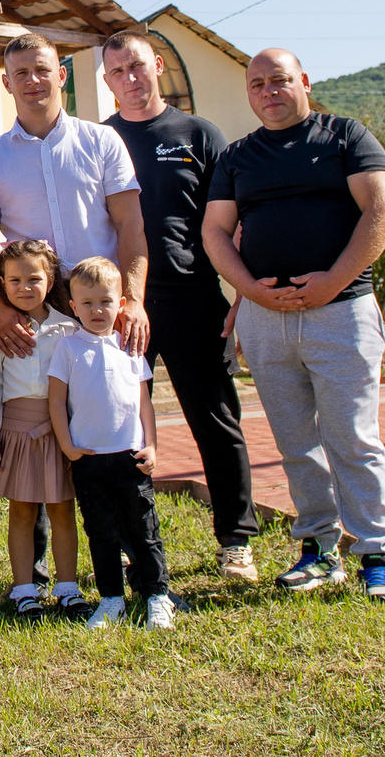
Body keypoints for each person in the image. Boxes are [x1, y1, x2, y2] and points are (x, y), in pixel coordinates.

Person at [202, 47, 385, 602]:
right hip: (267, 321)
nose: (269, 91)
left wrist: (332, 282)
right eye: (258, 84)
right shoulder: (238, 156)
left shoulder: (346, 137)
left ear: (304, 82)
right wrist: (246, 290)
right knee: (295, 442)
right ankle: (318, 546)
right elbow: (216, 231)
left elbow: (382, 211)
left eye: (280, 80)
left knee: (352, 437)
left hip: (340, 313)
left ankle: (376, 554)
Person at [102, 32, 261, 585]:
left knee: (216, 420)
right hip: (122, 306)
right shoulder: (101, 141)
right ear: (106, 81)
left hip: (195, 298)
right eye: (118, 70)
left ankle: (236, 541)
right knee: (123, 429)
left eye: (138, 66)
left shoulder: (198, 134)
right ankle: (132, 545)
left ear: (158, 67)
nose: (130, 78)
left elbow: (234, 222)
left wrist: (242, 294)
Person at [0, 34, 149, 360]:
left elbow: (130, 225)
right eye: (21, 73)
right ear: (7, 83)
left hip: (102, 305)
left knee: (111, 406)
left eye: (42, 69)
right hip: (34, 313)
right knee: (37, 411)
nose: (32, 80)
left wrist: (133, 300)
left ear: (62, 75)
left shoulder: (102, 141)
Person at [47, 257, 173, 630]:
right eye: (87, 303)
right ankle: (111, 599)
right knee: (101, 533)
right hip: (88, 458)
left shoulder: (130, 349)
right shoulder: (68, 349)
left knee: (144, 530)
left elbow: (144, 402)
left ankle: (156, 595)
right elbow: (56, 401)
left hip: (130, 456)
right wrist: (68, 447)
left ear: (120, 304)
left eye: (105, 302)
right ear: (73, 307)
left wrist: (152, 445)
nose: (96, 310)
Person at [0, 238, 85, 617]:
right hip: (17, 434)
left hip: (60, 433)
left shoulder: (70, 330)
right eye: (14, 280)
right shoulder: (2, 332)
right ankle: (24, 588)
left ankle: (68, 587)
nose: (24, 288)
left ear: (51, 278)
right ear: (2, 283)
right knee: (22, 511)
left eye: (33, 279)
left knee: (62, 509)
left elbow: (80, 389)